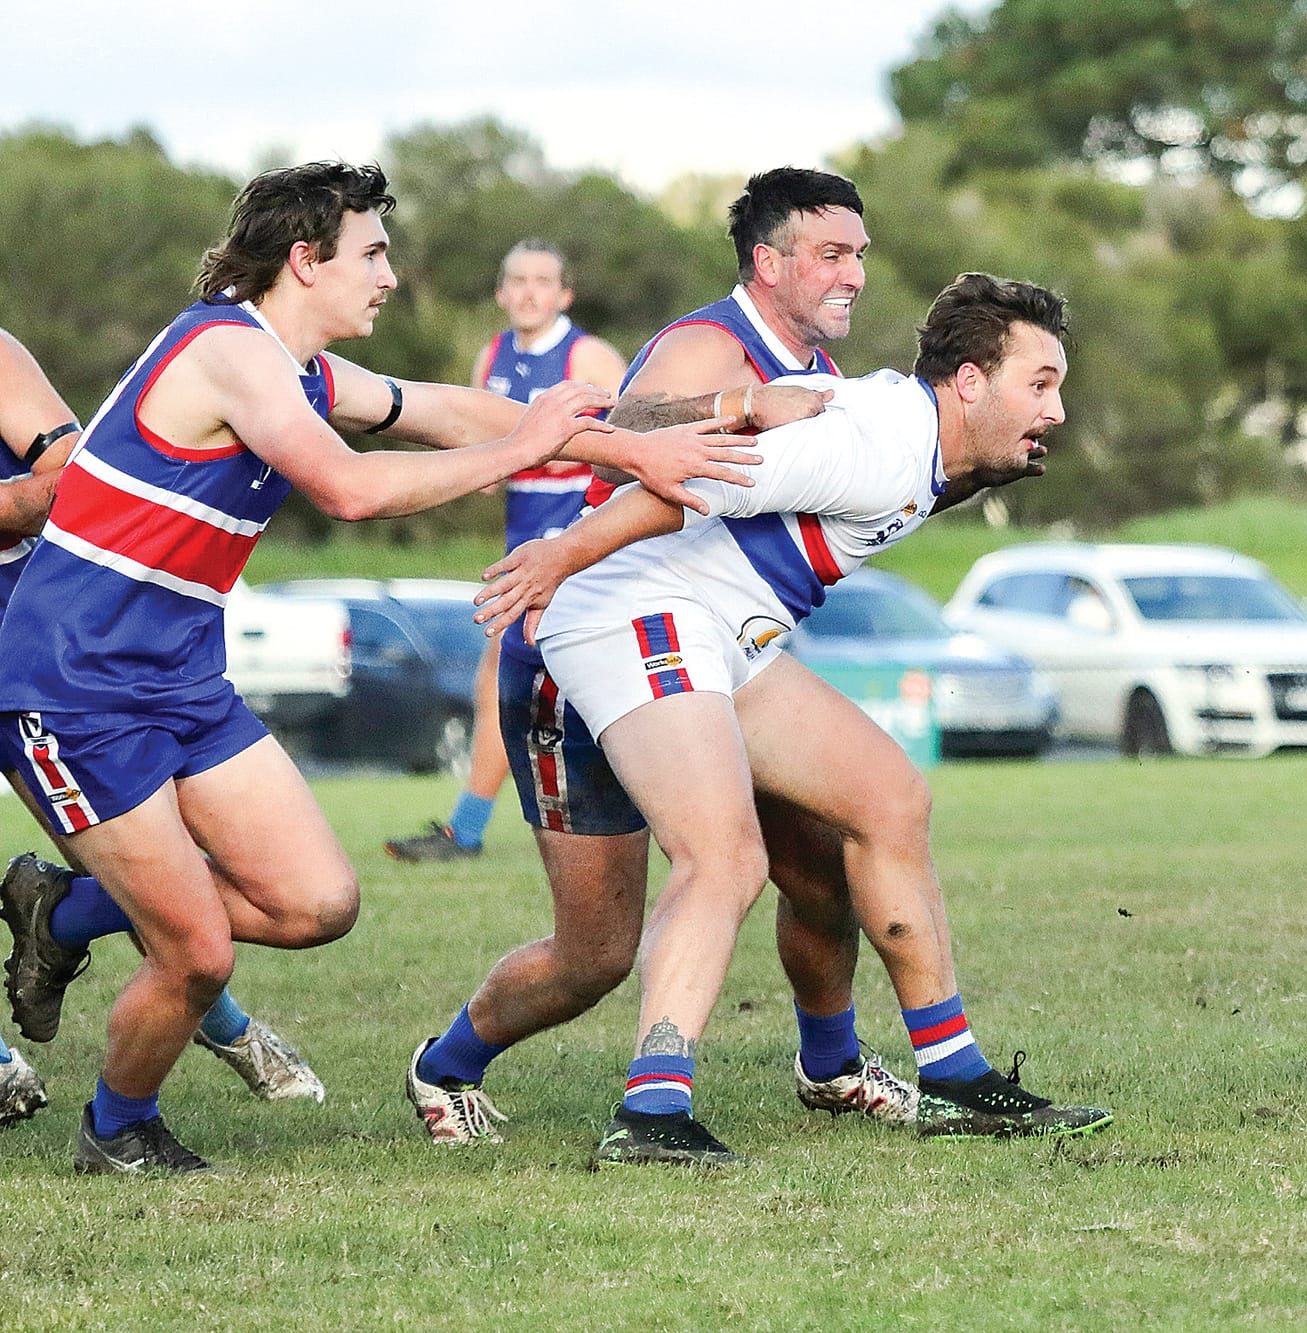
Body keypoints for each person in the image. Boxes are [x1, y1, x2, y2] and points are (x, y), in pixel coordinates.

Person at [0, 161, 747, 1176]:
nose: (389, 275)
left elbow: (444, 412)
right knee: (197, 952)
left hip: (180, 679)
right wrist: (527, 446)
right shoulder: (226, 350)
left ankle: (65, 907)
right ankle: (117, 1128)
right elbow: (349, 489)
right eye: (373, 252)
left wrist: (617, 448)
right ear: (305, 260)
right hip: (70, 684)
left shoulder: (301, 369)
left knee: (317, 903)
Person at [474, 272, 1113, 1165]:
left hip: (723, 633)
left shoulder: (928, 445)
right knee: (722, 856)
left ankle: (955, 1077)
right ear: (969, 382)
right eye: (1039, 384)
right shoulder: (878, 445)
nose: (1056, 408)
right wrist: (557, 555)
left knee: (890, 800)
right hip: (631, 610)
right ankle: (651, 1114)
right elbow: (691, 480)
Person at [404, 168, 920, 1149]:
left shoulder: (824, 378)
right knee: (591, 952)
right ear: (767, 263)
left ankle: (830, 1062)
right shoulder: (711, 344)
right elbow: (606, 441)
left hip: (704, 644)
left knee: (818, 856)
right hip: (584, 640)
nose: (854, 273)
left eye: (859, 253)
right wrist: (738, 403)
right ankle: (446, 1064)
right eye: (832, 254)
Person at [0, 329, 323, 1116]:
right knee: (158, 879)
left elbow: (70, 475)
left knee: (150, 867)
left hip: (35, 642)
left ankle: (66, 919)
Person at [384, 241, 627, 863]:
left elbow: (634, 439)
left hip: (577, 541)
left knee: (503, 677)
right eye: (516, 280)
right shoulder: (491, 356)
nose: (528, 292)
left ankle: (467, 832)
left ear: (564, 295)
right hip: (522, 540)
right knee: (512, 681)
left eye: (542, 282)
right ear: (500, 292)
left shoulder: (587, 355)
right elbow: (484, 459)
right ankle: (473, 829)